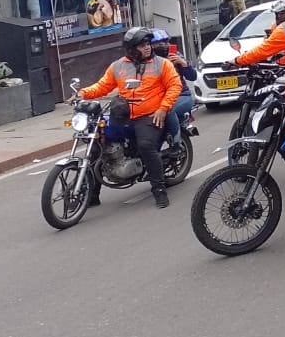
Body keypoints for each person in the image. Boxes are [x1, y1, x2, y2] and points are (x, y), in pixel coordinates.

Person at [76, 27, 181, 208]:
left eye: (148, 44)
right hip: (122, 116)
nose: (147, 47)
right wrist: (82, 93)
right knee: (96, 145)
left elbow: (174, 86)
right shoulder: (118, 66)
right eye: (142, 45)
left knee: (146, 146)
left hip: (149, 116)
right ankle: (91, 195)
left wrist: (163, 109)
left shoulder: (162, 64)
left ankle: (159, 190)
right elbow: (102, 86)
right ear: (131, 48)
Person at [152, 29, 196, 147]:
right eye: (159, 43)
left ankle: (177, 144)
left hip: (182, 96)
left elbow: (193, 76)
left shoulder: (175, 56)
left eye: (165, 42)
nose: (163, 45)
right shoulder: (148, 61)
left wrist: (183, 63)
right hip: (159, 98)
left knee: (167, 110)